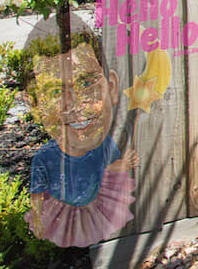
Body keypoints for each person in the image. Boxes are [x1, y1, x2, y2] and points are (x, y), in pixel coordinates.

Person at [22, 17, 137, 247]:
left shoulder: (105, 147)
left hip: (96, 213)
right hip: (61, 217)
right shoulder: (45, 158)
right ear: (34, 106)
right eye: (55, 91)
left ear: (112, 88)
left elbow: (112, 174)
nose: (73, 103)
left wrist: (123, 164)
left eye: (86, 83)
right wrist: (37, 216)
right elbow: (37, 192)